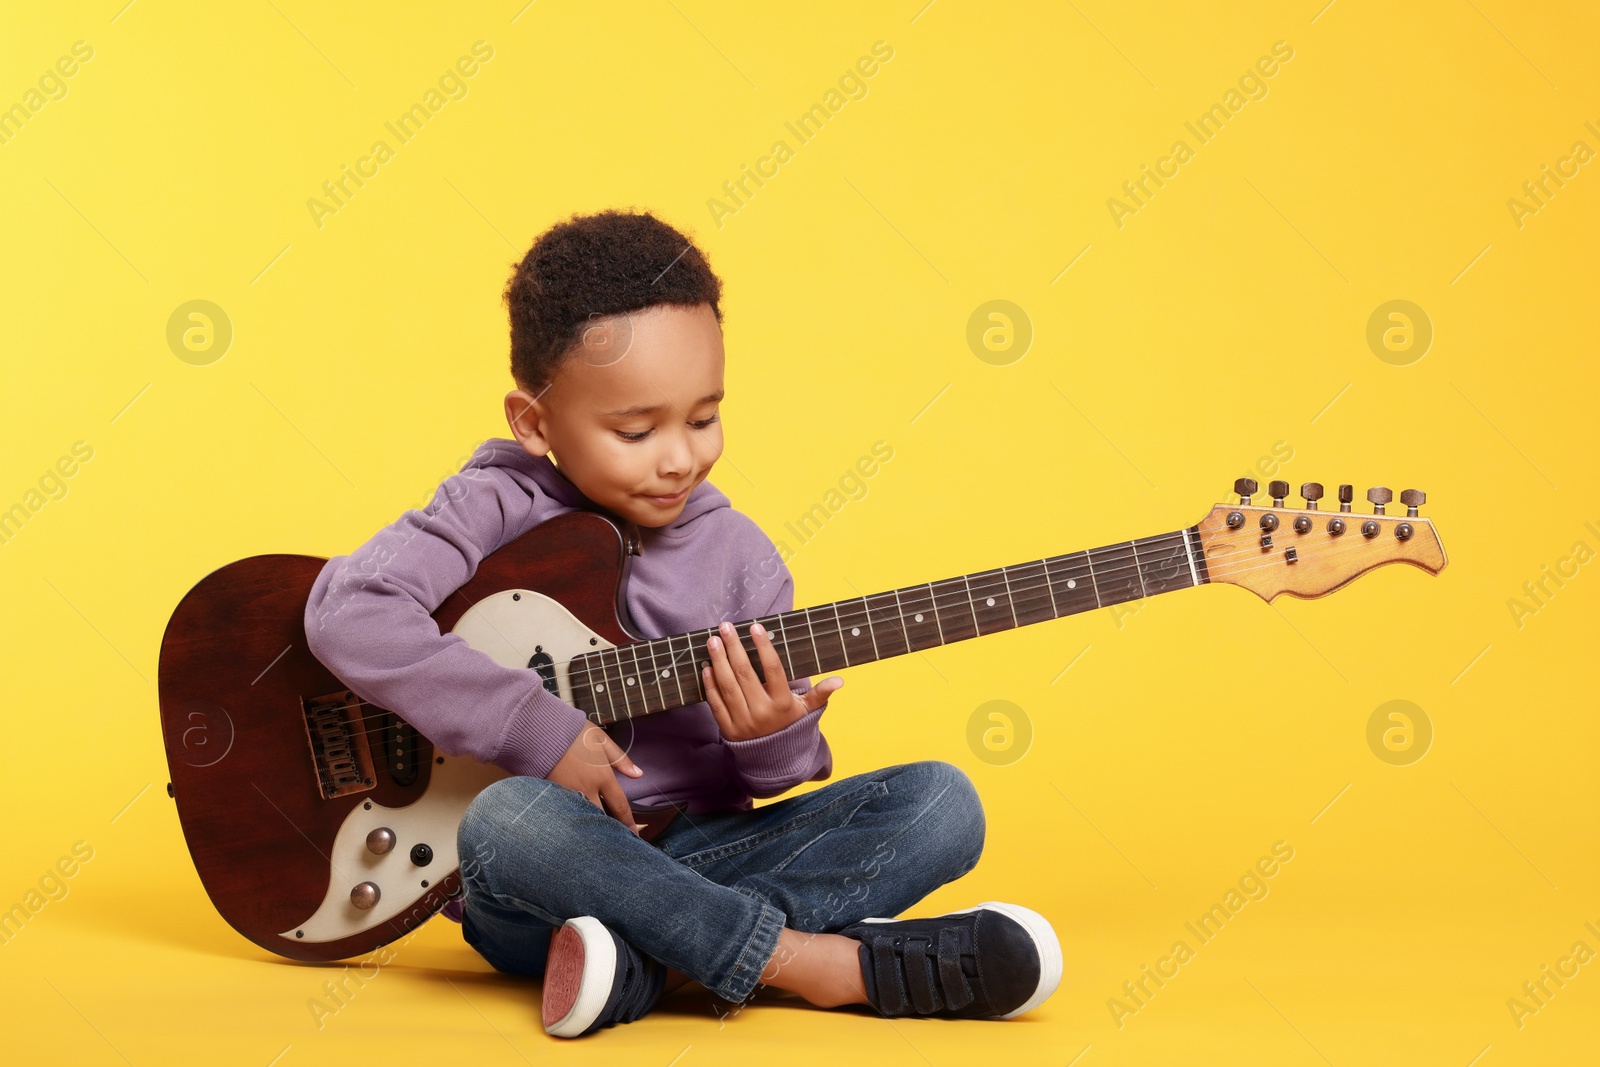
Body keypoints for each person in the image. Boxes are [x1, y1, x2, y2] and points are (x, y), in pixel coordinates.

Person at [302, 209, 1062, 1038]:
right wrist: (535, 726)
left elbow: (775, 781)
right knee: (507, 820)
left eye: (703, 418)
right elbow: (350, 612)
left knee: (941, 803)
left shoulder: (740, 557)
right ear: (535, 423)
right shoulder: (494, 504)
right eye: (636, 430)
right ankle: (816, 964)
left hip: (699, 852)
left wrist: (769, 736)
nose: (679, 458)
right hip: (552, 881)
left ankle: (648, 966)